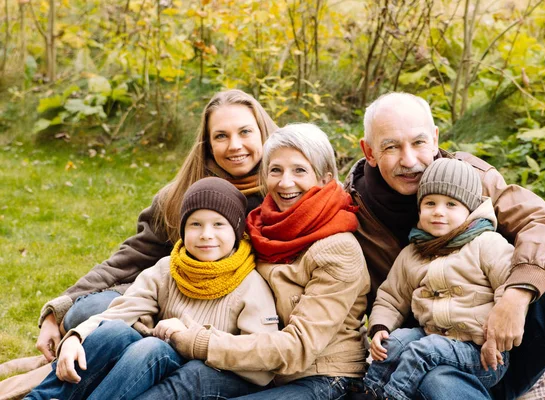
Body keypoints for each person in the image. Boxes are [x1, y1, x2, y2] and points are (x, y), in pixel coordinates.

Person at [343, 92, 545, 399]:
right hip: (431, 360)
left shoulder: (471, 178)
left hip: (503, 342)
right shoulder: (350, 213)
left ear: (435, 138)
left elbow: (544, 223)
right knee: (437, 381)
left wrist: (515, 298)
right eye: (391, 146)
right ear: (369, 152)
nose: (409, 160)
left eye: (419, 142)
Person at [36, 89, 277, 363]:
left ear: (263, 133)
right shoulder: (181, 195)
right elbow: (129, 259)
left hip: (237, 315)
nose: (234, 145)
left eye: (245, 132)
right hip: (174, 300)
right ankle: (144, 347)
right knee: (83, 311)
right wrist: (56, 311)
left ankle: (151, 351)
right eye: (221, 136)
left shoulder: (284, 191)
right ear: (208, 144)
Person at [134, 123, 371, 400]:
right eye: (275, 170)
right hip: (261, 370)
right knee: (185, 381)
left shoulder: (338, 250)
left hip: (322, 378)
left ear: (325, 178)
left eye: (299, 170)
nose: (285, 182)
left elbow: (298, 348)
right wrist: (148, 314)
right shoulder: (259, 229)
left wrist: (198, 341)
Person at [25, 177, 279, 400]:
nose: (206, 235)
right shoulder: (168, 268)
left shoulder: (250, 284)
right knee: (113, 331)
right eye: (195, 224)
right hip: (157, 362)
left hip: (213, 374)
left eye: (218, 225)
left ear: (236, 230)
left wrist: (195, 334)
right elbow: (119, 312)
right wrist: (76, 338)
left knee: (153, 347)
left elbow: (261, 369)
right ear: (182, 229)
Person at [364, 158, 513, 399]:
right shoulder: (412, 253)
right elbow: (391, 296)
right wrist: (381, 326)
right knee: (397, 343)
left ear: (469, 209)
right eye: (430, 203)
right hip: (432, 336)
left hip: (481, 353)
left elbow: (509, 287)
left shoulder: (486, 243)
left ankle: (393, 396)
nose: (439, 212)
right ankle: (369, 391)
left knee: (422, 351)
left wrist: (496, 339)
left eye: (451, 204)